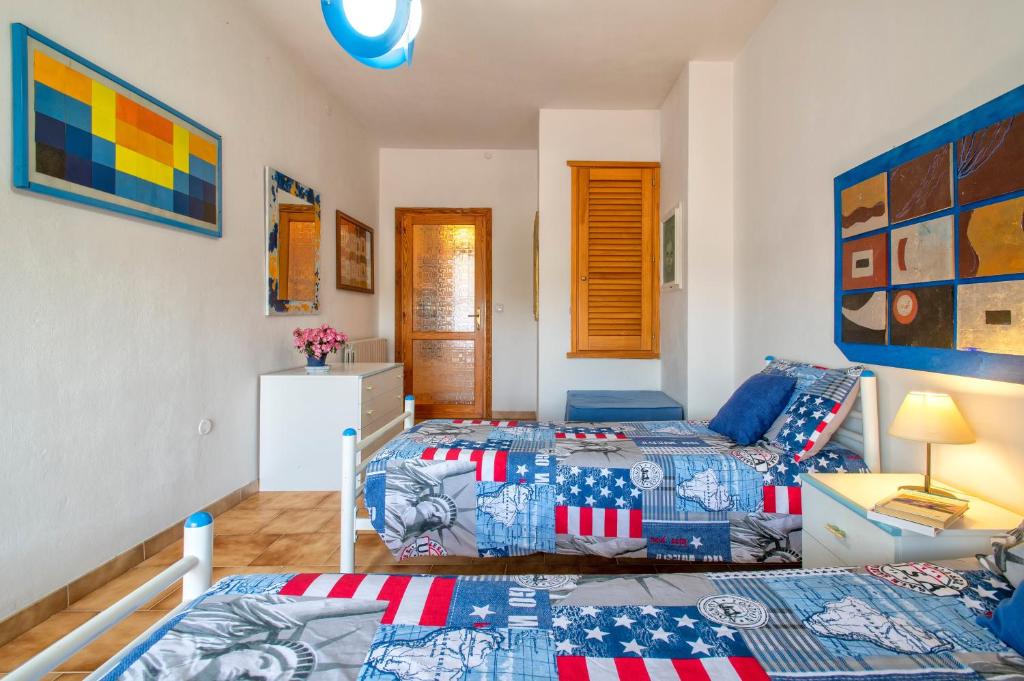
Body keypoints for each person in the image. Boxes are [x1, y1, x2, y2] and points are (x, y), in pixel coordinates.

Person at [120, 594, 386, 680]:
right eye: (265, 664)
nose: (257, 675)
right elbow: (325, 606)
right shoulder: (216, 632)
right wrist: (391, 604)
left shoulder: (208, 635)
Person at [382, 459, 476, 554]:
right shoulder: (404, 487)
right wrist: (479, 461)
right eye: (436, 508)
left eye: (440, 520)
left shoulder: (394, 541)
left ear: (432, 528)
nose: (437, 514)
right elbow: (449, 467)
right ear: (423, 499)